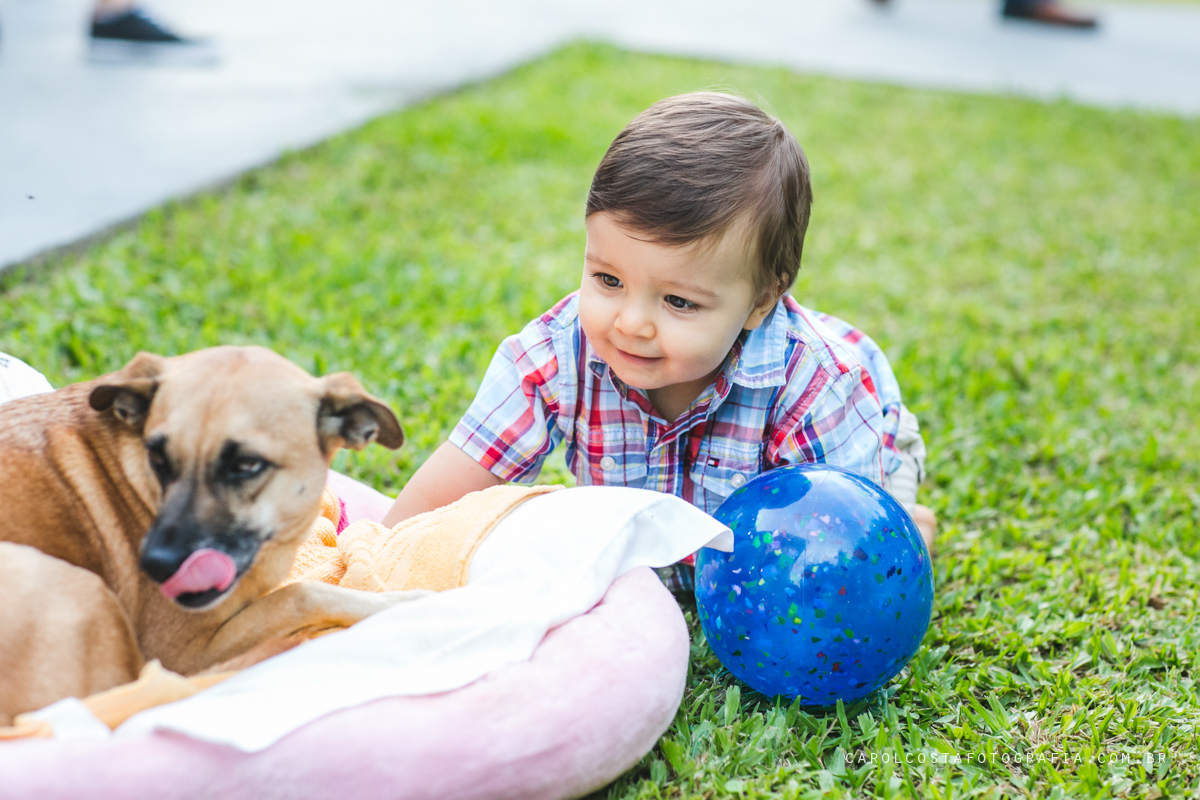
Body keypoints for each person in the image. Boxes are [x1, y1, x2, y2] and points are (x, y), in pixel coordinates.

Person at [380, 93, 937, 598]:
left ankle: (917, 524)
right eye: (608, 280)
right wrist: (375, 568)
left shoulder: (819, 389)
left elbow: (848, 547)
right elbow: (448, 493)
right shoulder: (553, 358)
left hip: (865, 446)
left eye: (678, 302)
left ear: (763, 300)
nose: (631, 324)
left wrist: (882, 557)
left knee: (877, 571)